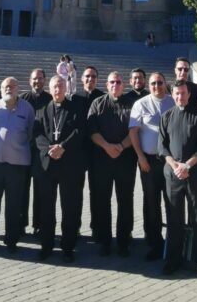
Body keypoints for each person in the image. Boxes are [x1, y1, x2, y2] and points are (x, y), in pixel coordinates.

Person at [159, 79, 197, 280]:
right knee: (174, 218)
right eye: (176, 93)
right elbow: (162, 147)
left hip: (194, 174)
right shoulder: (166, 116)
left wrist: (187, 165)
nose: (180, 96)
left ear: (189, 95)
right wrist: (175, 166)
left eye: (183, 93)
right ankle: (173, 260)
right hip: (173, 175)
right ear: (171, 95)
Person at [0, 77, 35, 253]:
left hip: (17, 165)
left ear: (18, 88)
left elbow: (31, 133)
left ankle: (11, 240)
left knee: (14, 204)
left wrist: (13, 145)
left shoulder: (27, 108)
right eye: (5, 87)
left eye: (11, 86)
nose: (8, 89)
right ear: (1, 89)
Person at [33, 74, 85, 262]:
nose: (58, 89)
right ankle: (46, 245)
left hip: (69, 165)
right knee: (46, 208)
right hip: (47, 166)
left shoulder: (76, 109)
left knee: (69, 207)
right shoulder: (41, 110)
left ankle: (68, 247)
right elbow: (37, 134)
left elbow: (79, 132)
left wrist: (63, 147)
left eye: (61, 86)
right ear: (50, 88)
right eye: (55, 86)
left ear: (66, 88)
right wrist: (49, 149)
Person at [87, 71, 136, 256]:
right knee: (102, 200)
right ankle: (105, 241)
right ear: (106, 85)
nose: (115, 84)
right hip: (102, 160)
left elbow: (136, 129)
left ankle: (123, 241)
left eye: (118, 82)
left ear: (124, 85)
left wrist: (121, 146)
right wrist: (107, 146)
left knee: (125, 200)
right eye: (111, 82)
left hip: (125, 160)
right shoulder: (97, 104)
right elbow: (92, 130)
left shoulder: (131, 104)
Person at [129, 71, 174, 260]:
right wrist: (140, 157)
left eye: (160, 83)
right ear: (149, 85)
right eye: (153, 83)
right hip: (149, 161)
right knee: (152, 203)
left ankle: (174, 242)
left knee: (173, 202)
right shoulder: (141, 104)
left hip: (170, 162)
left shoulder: (174, 101)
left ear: (166, 83)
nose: (157, 86)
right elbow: (133, 132)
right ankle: (155, 243)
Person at [20, 68, 52, 235]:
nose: (37, 81)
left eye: (40, 79)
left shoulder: (50, 99)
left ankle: (38, 224)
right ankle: (21, 223)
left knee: (41, 188)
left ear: (44, 81)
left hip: (41, 152)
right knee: (22, 187)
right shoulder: (23, 99)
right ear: (29, 80)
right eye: (34, 79)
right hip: (24, 149)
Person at [74, 65, 104, 241]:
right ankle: (75, 226)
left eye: (93, 77)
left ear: (97, 80)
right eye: (87, 76)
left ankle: (96, 227)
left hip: (97, 151)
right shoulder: (74, 98)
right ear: (81, 79)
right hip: (78, 152)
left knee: (97, 191)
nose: (90, 79)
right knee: (75, 191)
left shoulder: (101, 97)